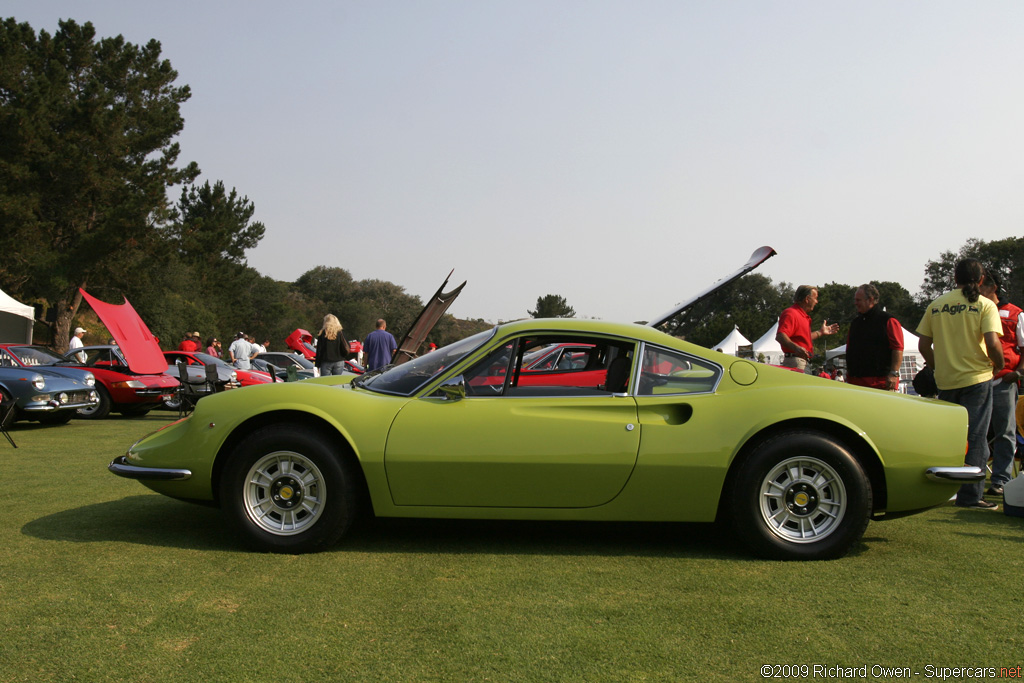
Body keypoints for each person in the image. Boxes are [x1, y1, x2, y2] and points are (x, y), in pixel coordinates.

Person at [917, 259, 1003, 510]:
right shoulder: (986, 305)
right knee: (975, 439)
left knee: (948, 438)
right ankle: (971, 497)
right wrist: (998, 365)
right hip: (977, 378)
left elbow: (923, 345)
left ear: (954, 278)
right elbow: (993, 342)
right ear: (980, 280)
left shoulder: (937, 305)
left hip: (946, 380)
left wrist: (936, 367)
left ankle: (944, 492)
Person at [980, 271, 1024, 496]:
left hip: (1004, 381)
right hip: (978, 380)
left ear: (993, 287)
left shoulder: (1016, 314)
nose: (977, 291)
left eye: (981, 287)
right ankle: (973, 478)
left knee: (1005, 432)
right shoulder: (976, 309)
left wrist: (1017, 373)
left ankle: (1000, 480)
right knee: (976, 432)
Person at [845, 284, 904, 391]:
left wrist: (894, 373)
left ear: (870, 300)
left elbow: (898, 348)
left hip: (880, 383)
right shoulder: (855, 323)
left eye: (859, 300)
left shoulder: (888, 320)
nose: (855, 303)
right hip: (856, 383)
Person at [776, 285, 839, 372]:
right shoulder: (791, 313)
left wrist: (820, 332)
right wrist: (796, 348)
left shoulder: (802, 315)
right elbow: (780, 336)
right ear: (807, 299)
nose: (817, 301)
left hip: (801, 361)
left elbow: (803, 338)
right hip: (796, 361)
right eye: (815, 298)